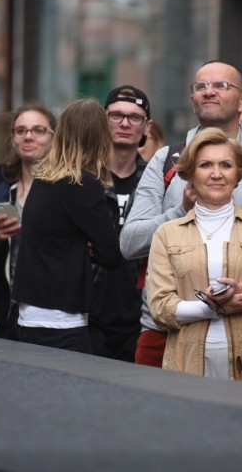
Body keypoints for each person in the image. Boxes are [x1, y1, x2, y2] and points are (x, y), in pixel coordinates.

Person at [120, 60, 242, 368]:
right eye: (201, 87)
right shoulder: (166, 161)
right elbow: (129, 243)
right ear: (192, 100)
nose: (209, 92)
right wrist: (181, 211)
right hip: (165, 332)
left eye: (220, 86)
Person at [147, 128, 242, 378]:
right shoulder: (166, 234)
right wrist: (214, 308)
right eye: (205, 165)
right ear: (190, 174)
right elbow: (160, 308)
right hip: (186, 366)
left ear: (239, 175)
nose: (216, 174)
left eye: (226, 165)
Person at [13, 99, 123, 354]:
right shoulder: (82, 184)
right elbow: (112, 255)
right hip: (61, 322)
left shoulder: (43, 179)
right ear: (100, 138)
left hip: (28, 315)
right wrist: (90, 247)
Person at [0, 102, 57, 339]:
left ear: (54, 137)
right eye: (21, 131)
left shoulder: (69, 188)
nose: (28, 137)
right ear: (13, 138)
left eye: (38, 130)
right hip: (9, 312)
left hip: (56, 314)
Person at [89, 86, 151, 362]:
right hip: (87, 317)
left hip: (142, 316)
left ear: (146, 126)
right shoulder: (82, 179)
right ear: (103, 120)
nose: (125, 123)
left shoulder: (158, 181)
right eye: (116, 115)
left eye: (135, 117)